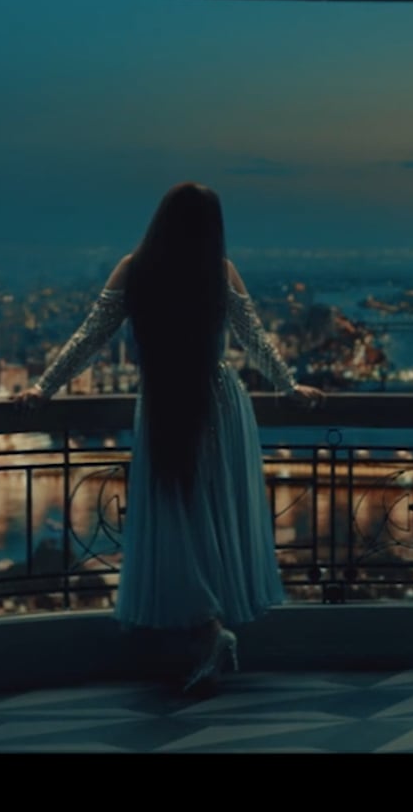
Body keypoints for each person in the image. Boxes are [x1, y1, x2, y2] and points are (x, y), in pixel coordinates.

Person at [17, 183, 324, 691]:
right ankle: (209, 627)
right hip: (219, 400)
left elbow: (89, 339)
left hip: (165, 401)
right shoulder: (218, 269)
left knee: (175, 514)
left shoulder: (134, 269)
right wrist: (289, 388)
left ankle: (204, 630)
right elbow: (255, 339)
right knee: (216, 512)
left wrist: (43, 388)